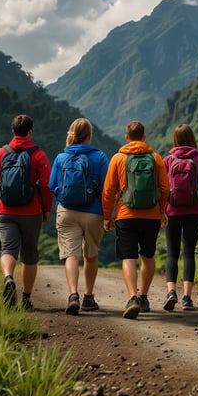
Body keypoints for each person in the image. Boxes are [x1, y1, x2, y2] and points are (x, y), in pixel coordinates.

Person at [0, 114, 53, 311]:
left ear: (13, 131)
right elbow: (46, 187)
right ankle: (27, 299)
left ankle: (8, 278)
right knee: (29, 254)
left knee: (8, 250)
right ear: (30, 132)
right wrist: (46, 209)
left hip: (6, 210)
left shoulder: (0, 153)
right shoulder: (38, 155)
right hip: (32, 211)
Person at [101, 120, 169, 319]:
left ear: (126, 137)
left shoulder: (118, 158)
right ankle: (144, 296)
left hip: (126, 215)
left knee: (128, 258)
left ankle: (132, 298)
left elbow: (108, 191)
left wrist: (107, 216)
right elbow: (165, 188)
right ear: (144, 137)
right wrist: (161, 211)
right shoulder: (155, 158)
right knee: (147, 256)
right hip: (150, 216)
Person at [49, 118, 109, 315]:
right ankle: (88, 298)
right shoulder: (99, 157)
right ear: (89, 136)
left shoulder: (60, 158)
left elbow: (52, 186)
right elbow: (106, 189)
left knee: (71, 255)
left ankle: (73, 294)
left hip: (67, 211)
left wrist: (63, 200)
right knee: (90, 255)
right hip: (93, 212)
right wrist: (108, 214)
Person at [162, 124, 198, 311]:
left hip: (172, 211)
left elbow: (163, 189)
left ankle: (171, 292)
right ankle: (187, 298)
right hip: (195, 211)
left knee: (172, 253)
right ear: (192, 139)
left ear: (175, 139)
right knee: (189, 252)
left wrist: (161, 212)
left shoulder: (168, 160)